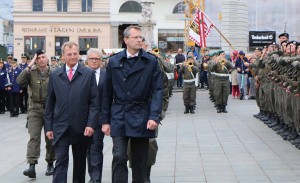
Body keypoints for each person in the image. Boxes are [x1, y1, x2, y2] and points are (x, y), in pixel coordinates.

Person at [100, 25, 163, 183]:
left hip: (141, 114)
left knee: (139, 160)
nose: (139, 40)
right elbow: (107, 93)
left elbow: (157, 91)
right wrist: (105, 121)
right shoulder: (114, 61)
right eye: (135, 37)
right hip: (119, 113)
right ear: (126, 40)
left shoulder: (150, 61)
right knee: (119, 156)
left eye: (140, 37)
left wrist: (154, 116)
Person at [44, 41, 99, 183]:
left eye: (75, 53)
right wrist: (48, 126)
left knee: (80, 164)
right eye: (69, 54)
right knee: (61, 162)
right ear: (63, 56)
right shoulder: (56, 75)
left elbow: (94, 102)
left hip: (81, 127)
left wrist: (91, 124)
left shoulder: (88, 74)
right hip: (60, 126)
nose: (73, 57)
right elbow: (50, 103)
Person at [17, 50, 56, 179]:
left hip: (50, 109)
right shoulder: (31, 72)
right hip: (34, 109)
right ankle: (32, 166)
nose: (41, 60)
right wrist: (29, 65)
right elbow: (19, 80)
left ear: (47, 59)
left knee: (50, 138)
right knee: (34, 137)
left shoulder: (54, 72)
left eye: (43, 57)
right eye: (38, 58)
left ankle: (50, 163)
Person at [86, 48, 106, 183]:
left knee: (96, 147)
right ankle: (92, 175)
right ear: (87, 61)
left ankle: (96, 178)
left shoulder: (106, 75)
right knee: (88, 149)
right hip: (84, 118)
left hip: (100, 118)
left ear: (101, 61)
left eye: (97, 59)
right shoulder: (82, 74)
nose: (94, 61)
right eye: (91, 58)